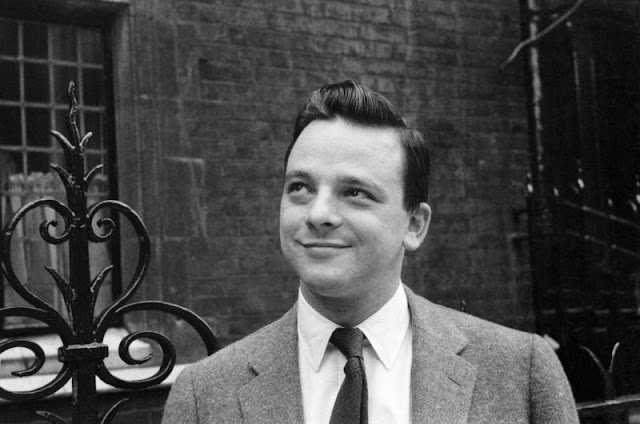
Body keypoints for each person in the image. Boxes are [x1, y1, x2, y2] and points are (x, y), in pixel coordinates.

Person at [162, 80, 578, 423]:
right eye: (300, 187)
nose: (318, 214)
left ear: (414, 225)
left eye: (355, 192)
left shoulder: (519, 372)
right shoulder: (203, 396)